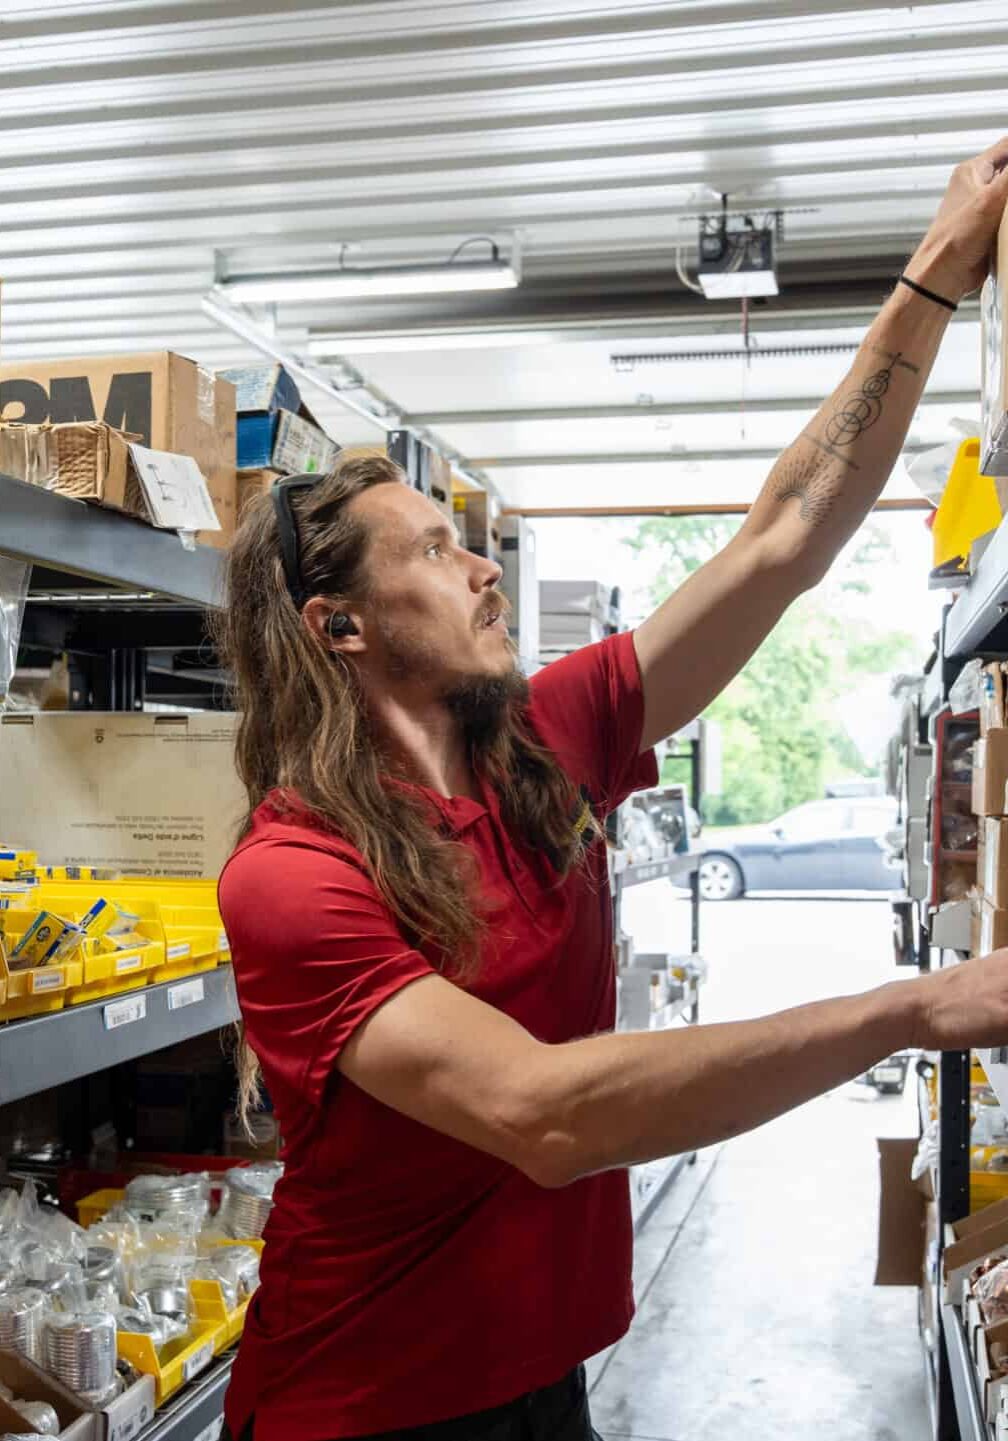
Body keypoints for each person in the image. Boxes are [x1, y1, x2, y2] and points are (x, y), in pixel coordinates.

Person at [216, 137, 1008, 1441]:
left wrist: (937, 267)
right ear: (340, 630)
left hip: (546, 1379)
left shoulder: (547, 731)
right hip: (368, 1406)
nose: (481, 571)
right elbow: (547, 1111)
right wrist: (917, 1007)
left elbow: (787, 533)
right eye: (430, 553)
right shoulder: (295, 873)